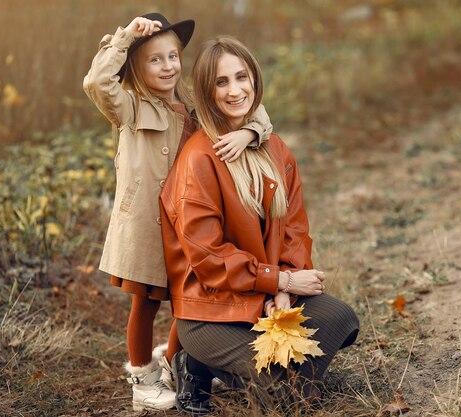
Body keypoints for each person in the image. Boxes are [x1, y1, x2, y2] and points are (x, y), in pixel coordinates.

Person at [159, 35, 359, 415]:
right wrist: (278, 280)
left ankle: (279, 377)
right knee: (287, 399)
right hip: (211, 310)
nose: (235, 90)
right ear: (207, 90)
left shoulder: (275, 148)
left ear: (254, 78)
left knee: (340, 319)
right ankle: (197, 363)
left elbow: (295, 228)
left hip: (264, 295)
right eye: (222, 82)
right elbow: (208, 257)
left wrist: (285, 286)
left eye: (241, 77)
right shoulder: (199, 158)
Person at [83, 13, 272, 412]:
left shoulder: (190, 104)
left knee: (189, 299)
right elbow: (96, 82)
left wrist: (248, 132)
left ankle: (172, 364)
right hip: (146, 226)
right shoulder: (128, 107)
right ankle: (141, 377)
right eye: (155, 59)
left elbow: (251, 108)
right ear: (136, 65)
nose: (168, 66)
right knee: (147, 303)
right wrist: (126, 38)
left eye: (173, 56)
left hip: (186, 223)